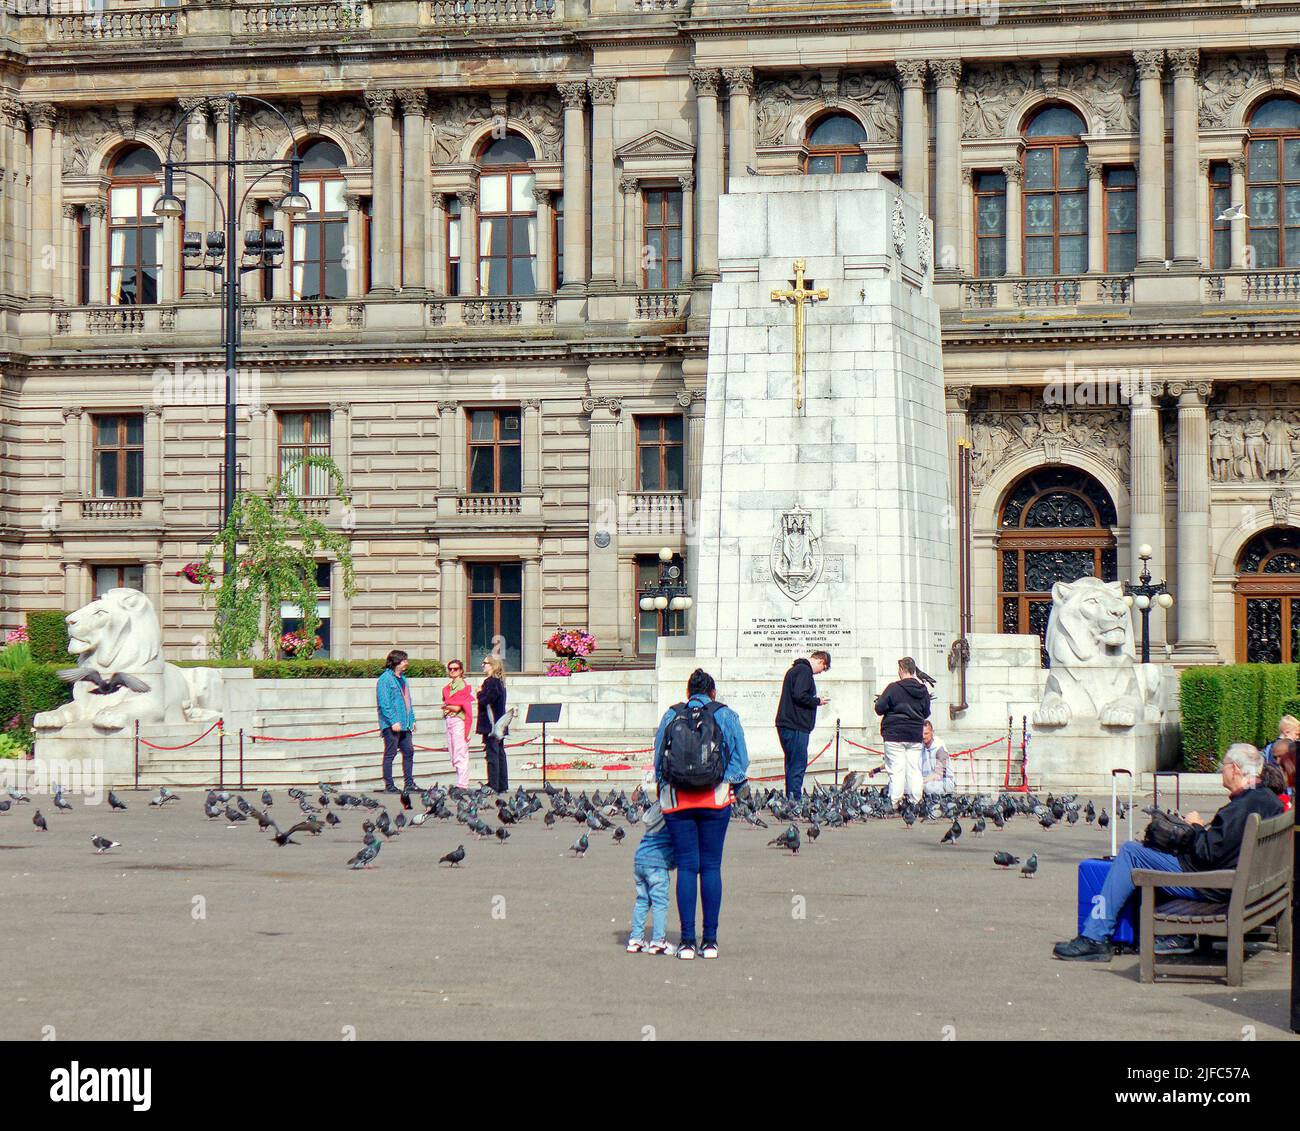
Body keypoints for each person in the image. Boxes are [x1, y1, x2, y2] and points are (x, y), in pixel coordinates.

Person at [1054, 743, 1284, 961]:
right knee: (1155, 852)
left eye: (1222, 766)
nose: (1220, 772)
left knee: (1131, 852)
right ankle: (1175, 936)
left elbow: (1206, 854)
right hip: (1246, 884)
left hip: (1216, 885)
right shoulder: (1268, 800)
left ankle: (1095, 936)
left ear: (1234, 769)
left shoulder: (1241, 807)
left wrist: (1194, 826)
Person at [653, 668, 749, 961]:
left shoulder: (672, 715)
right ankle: (710, 940)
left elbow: (659, 760)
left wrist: (665, 788)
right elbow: (740, 762)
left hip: (679, 802)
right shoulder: (725, 715)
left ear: (687, 693)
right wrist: (721, 780)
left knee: (686, 867)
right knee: (710, 867)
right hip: (714, 800)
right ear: (713, 693)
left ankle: (685, 942)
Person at [873, 657, 931, 809]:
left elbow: (879, 708)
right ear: (913, 671)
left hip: (894, 734)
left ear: (901, 670)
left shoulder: (893, 688)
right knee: (914, 769)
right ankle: (915, 800)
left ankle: (895, 802)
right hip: (914, 734)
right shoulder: (923, 690)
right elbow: (926, 712)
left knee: (896, 769)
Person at [774, 650, 831, 799]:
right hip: (796, 725)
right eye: (823, 668)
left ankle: (790, 799)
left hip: (788, 723)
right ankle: (795, 800)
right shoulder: (804, 671)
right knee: (798, 764)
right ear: (820, 661)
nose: (820, 672)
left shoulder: (795, 670)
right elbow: (800, 695)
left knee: (791, 764)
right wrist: (817, 701)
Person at [626, 801, 676, 956]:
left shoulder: (651, 821)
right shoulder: (670, 823)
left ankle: (635, 940)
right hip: (656, 864)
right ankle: (658, 941)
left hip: (639, 860)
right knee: (660, 902)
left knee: (642, 900)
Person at [377, 649, 418, 794]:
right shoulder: (385, 679)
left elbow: (408, 701)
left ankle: (409, 783)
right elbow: (384, 703)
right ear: (397, 662)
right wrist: (393, 721)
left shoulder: (403, 678)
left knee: (409, 752)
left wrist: (411, 719)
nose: (406, 663)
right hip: (391, 724)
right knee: (390, 753)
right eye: (404, 660)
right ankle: (389, 785)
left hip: (405, 723)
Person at [476, 655, 509, 794]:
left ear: (492, 665)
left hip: (491, 724)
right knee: (500, 753)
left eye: (485, 663)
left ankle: (493, 784)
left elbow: (486, 700)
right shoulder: (500, 682)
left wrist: (479, 693)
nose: (483, 665)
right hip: (499, 724)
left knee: (492, 754)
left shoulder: (491, 682)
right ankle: (502, 784)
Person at [441, 659, 473, 788]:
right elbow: (451, 705)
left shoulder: (462, 686)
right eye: (450, 669)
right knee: (453, 752)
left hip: (459, 721)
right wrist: (448, 706)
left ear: (461, 671)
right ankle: (461, 781)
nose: (452, 671)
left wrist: (446, 706)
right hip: (450, 720)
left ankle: (462, 784)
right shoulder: (447, 688)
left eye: (455, 669)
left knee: (460, 751)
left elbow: (458, 707)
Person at [920, 720, 954, 796]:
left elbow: (939, 774)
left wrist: (921, 782)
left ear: (932, 732)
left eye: (926, 733)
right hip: (927, 780)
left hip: (945, 782)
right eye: (921, 733)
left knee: (928, 787)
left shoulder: (940, 749)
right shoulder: (921, 747)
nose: (923, 736)